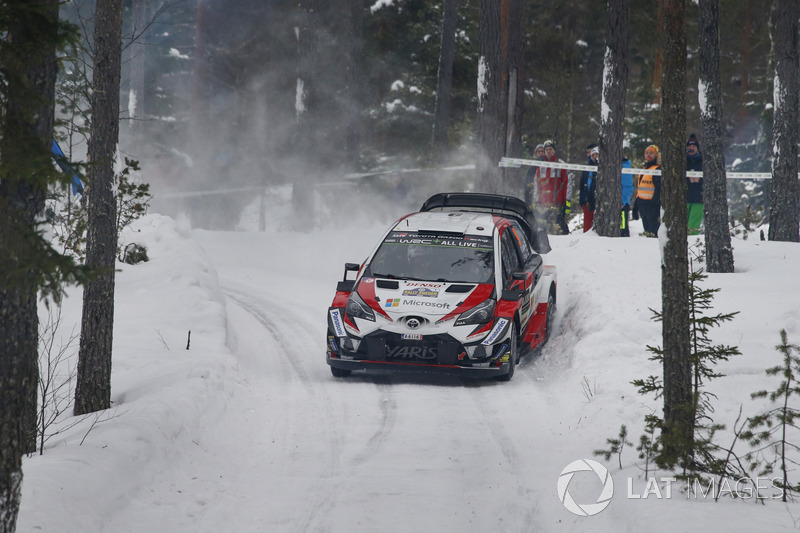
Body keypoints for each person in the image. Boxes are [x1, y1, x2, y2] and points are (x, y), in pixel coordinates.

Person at [532, 139, 572, 235]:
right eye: (547, 150)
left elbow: (567, 184)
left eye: (550, 149)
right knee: (544, 229)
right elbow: (536, 185)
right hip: (544, 203)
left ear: (554, 150)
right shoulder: (540, 167)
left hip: (558, 203)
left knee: (560, 228)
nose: (548, 151)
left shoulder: (560, 165)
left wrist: (567, 201)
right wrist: (536, 200)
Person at [635, 144, 662, 236]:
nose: (648, 155)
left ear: (656, 155)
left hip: (652, 206)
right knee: (647, 234)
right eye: (647, 153)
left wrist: (653, 205)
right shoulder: (645, 168)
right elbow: (640, 188)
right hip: (642, 205)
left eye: (651, 153)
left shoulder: (657, 169)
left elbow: (659, 189)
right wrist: (636, 205)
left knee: (653, 234)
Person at [686, 133, 704, 235]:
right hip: (685, 197)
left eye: (693, 146)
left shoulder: (703, 160)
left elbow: (711, 178)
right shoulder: (682, 160)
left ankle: (692, 244)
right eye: (689, 146)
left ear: (697, 148)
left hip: (698, 198)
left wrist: (699, 180)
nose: (691, 148)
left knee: (694, 225)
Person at [579, 145, 599, 232]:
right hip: (588, 199)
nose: (595, 157)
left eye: (597, 154)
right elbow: (583, 185)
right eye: (592, 154)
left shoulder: (604, 166)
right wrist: (584, 200)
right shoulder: (587, 166)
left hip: (598, 198)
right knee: (587, 226)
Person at [620, 157, 634, 237]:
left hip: (623, 205)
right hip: (619, 203)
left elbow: (628, 187)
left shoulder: (625, 167)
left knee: (623, 230)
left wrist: (623, 201)